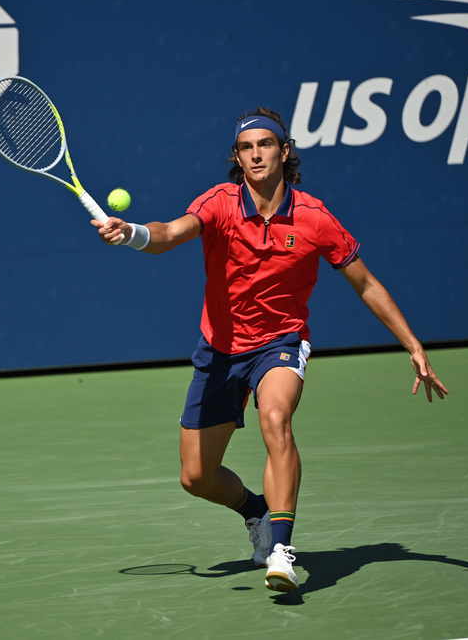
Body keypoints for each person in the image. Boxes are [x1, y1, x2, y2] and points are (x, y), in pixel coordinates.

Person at [93, 107, 449, 593]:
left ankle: (281, 548)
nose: (255, 154)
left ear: (284, 152)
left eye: (265, 145)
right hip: (220, 350)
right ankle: (255, 511)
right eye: (245, 147)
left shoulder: (314, 217)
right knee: (196, 477)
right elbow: (172, 233)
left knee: (275, 418)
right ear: (237, 158)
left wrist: (413, 345)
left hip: (281, 341)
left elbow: (365, 284)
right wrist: (133, 234)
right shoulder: (220, 204)